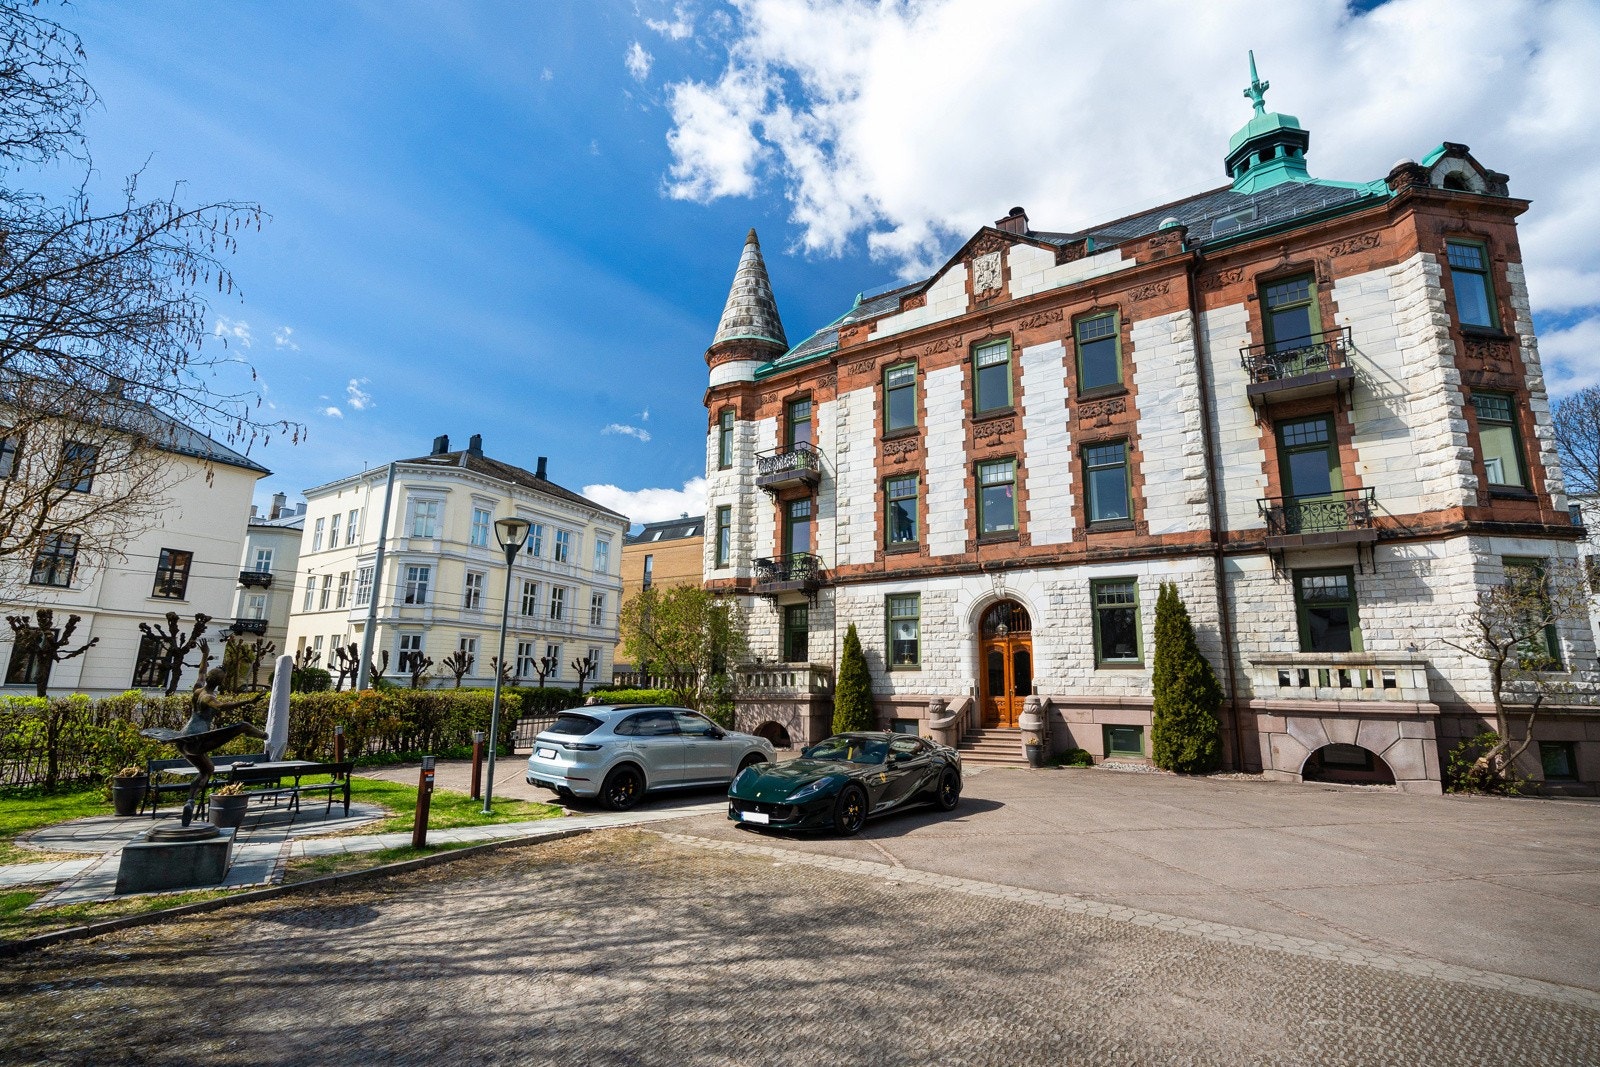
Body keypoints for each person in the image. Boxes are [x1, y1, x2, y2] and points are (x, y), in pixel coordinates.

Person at [141, 669, 268, 826]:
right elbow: (221, 706)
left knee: (207, 770)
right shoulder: (208, 697)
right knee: (242, 726)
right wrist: (249, 701)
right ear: (219, 682)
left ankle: (190, 800)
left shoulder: (198, 689)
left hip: (183, 739)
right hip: (197, 740)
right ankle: (262, 735)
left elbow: (201, 672)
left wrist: (205, 654)